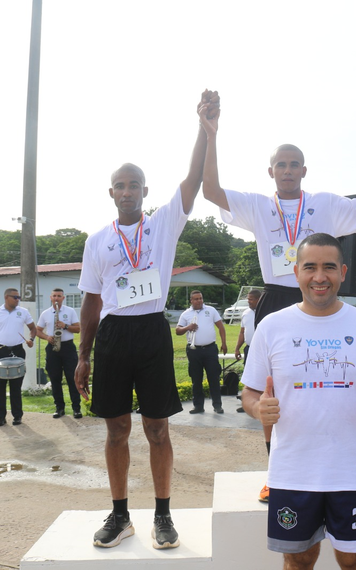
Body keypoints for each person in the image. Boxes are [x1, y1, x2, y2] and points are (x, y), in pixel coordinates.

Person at [197, 95, 356, 502]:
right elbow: (210, 189)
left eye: (293, 164)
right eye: (280, 165)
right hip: (278, 300)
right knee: (270, 389)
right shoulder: (257, 205)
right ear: (271, 171)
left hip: (321, 299)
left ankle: (335, 466)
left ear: (304, 170)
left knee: (323, 382)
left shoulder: (325, 204)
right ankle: (276, 469)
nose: (287, 170)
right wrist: (210, 134)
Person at [73, 89, 216, 550]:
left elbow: (193, 179)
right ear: (111, 192)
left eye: (135, 184)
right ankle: (119, 515)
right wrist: (83, 356)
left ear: (145, 192)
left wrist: (204, 128)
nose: (128, 191)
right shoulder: (97, 241)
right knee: (116, 429)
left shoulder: (163, 224)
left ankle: (163, 515)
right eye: (121, 185)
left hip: (153, 331)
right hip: (114, 334)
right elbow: (92, 303)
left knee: (157, 428)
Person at [241, 232, 356, 570]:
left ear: (343, 272)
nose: (319, 277)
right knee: (298, 560)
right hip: (292, 474)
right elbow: (250, 392)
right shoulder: (272, 326)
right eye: (310, 267)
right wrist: (258, 408)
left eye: (329, 267)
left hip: (351, 474)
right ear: (296, 272)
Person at [0, 288, 36, 427]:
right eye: (15, 297)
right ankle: (0, 417)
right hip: (0, 351)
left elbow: (33, 328)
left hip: (17, 351)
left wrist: (31, 339)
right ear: (6, 297)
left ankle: (17, 416)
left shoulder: (23, 312)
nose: (18, 299)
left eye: (19, 297)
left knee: (16, 386)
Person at [176, 290, 228, 414]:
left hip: (210, 349)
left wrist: (224, 343)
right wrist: (188, 327)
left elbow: (221, 327)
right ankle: (198, 406)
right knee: (196, 379)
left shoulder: (211, 310)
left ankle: (217, 405)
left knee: (213, 378)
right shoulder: (186, 314)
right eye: (196, 299)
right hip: (194, 351)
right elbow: (178, 331)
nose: (199, 301)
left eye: (200, 298)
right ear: (191, 301)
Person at [35, 288, 82, 419]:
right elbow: (37, 330)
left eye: (59, 296)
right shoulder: (45, 313)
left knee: (72, 379)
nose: (56, 298)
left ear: (63, 298)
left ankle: (76, 408)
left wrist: (65, 326)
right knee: (55, 379)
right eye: (54, 296)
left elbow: (78, 329)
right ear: (50, 298)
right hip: (52, 347)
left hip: (67, 347)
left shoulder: (70, 311)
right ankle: (59, 408)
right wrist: (47, 337)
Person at [235, 289, 261, 362]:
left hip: (262, 350)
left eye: (251, 299)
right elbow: (242, 332)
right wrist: (237, 348)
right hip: (249, 349)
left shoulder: (267, 312)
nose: (248, 302)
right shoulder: (245, 313)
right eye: (248, 299)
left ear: (259, 299)